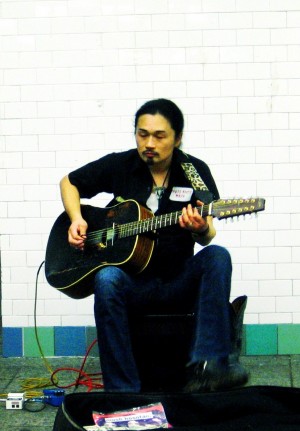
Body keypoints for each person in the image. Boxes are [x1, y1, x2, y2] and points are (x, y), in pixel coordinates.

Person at [60, 98, 248, 393]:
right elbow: (69, 182)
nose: (149, 143)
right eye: (142, 134)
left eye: (159, 136)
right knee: (106, 277)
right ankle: (122, 391)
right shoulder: (120, 165)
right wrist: (75, 219)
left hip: (178, 280)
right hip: (134, 284)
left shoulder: (194, 172)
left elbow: (208, 234)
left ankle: (210, 367)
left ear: (177, 138)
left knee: (217, 256)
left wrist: (200, 229)